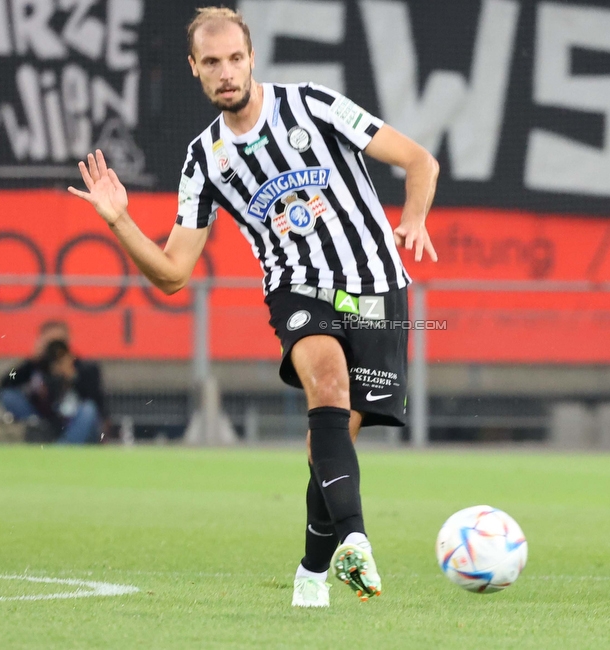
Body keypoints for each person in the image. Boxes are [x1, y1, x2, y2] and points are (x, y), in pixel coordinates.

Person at [68, 6, 439, 608]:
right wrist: (120, 221)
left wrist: (414, 217)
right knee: (327, 381)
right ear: (194, 68)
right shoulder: (204, 159)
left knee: (333, 436)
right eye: (211, 62)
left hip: (376, 287)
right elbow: (170, 274)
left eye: (234, 58)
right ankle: (357, 540)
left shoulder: (315, 105)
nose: (225, 72)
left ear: (251, 58)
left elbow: (420, 160)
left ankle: (313, 571)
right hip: (297, 288)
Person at [0, 320, 107, 444]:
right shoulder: (35, 366)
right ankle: (41, 439)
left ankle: (63, 449)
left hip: (75, 423)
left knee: (88, 409)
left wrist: (73, 376)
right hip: (44, 422)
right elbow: (4, 385)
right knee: (9, 396)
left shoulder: (85, 368)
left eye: (59, 343)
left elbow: (96, 403)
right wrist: (30, 362)